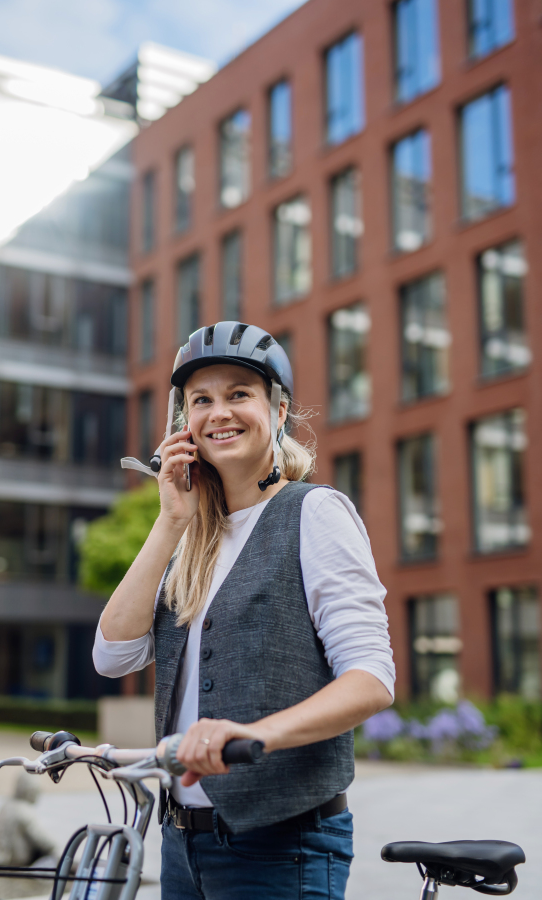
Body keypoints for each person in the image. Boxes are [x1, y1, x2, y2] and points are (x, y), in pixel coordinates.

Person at [93, 322, 395, 900]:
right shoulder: (190, 538)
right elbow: (112, 655)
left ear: (278, 412)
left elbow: (372, 679)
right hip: (182, 847)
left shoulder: (316, 513)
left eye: (238, 394)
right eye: (201, 400)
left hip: (282, 848)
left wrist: (254, 734)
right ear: (185, 426)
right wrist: (170, 519)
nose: (218, 412)